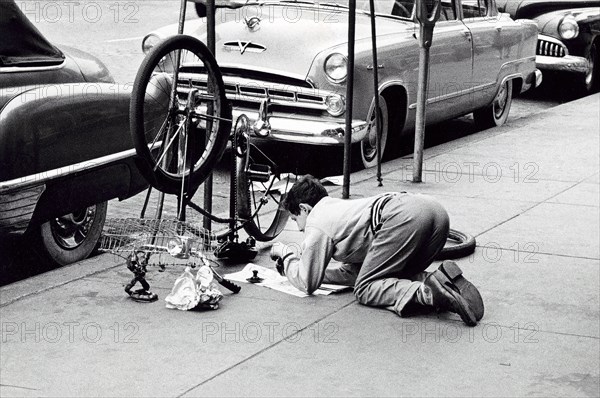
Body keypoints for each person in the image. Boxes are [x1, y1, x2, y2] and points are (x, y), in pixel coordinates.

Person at [270, 175, 484, 326]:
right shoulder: (339, 210)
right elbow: (352, 273)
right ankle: (445, 281)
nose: (298, 227)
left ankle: (428, 293)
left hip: (402, 216)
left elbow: (307, 283)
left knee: (364, 290)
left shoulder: (317, 221)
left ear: (305, 209)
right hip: (434, 211)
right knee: (393, 277)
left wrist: (287, 256)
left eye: (295, 218)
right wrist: (311, 269)